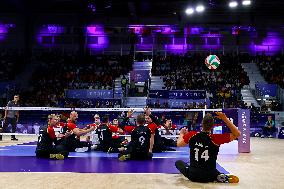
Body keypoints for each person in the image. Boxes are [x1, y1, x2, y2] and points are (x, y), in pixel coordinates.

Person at [175, 112, 240, 183]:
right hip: (210, 175)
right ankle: (218, 175)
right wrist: (225, 118)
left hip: (193, 175)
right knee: (210, 168)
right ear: (213, 126)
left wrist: (181, 133)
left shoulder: (191, 135)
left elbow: (178, 144)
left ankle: (217, 175)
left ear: (201, 124)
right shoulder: (215, 138)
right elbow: (237, 134)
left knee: (178, 162)